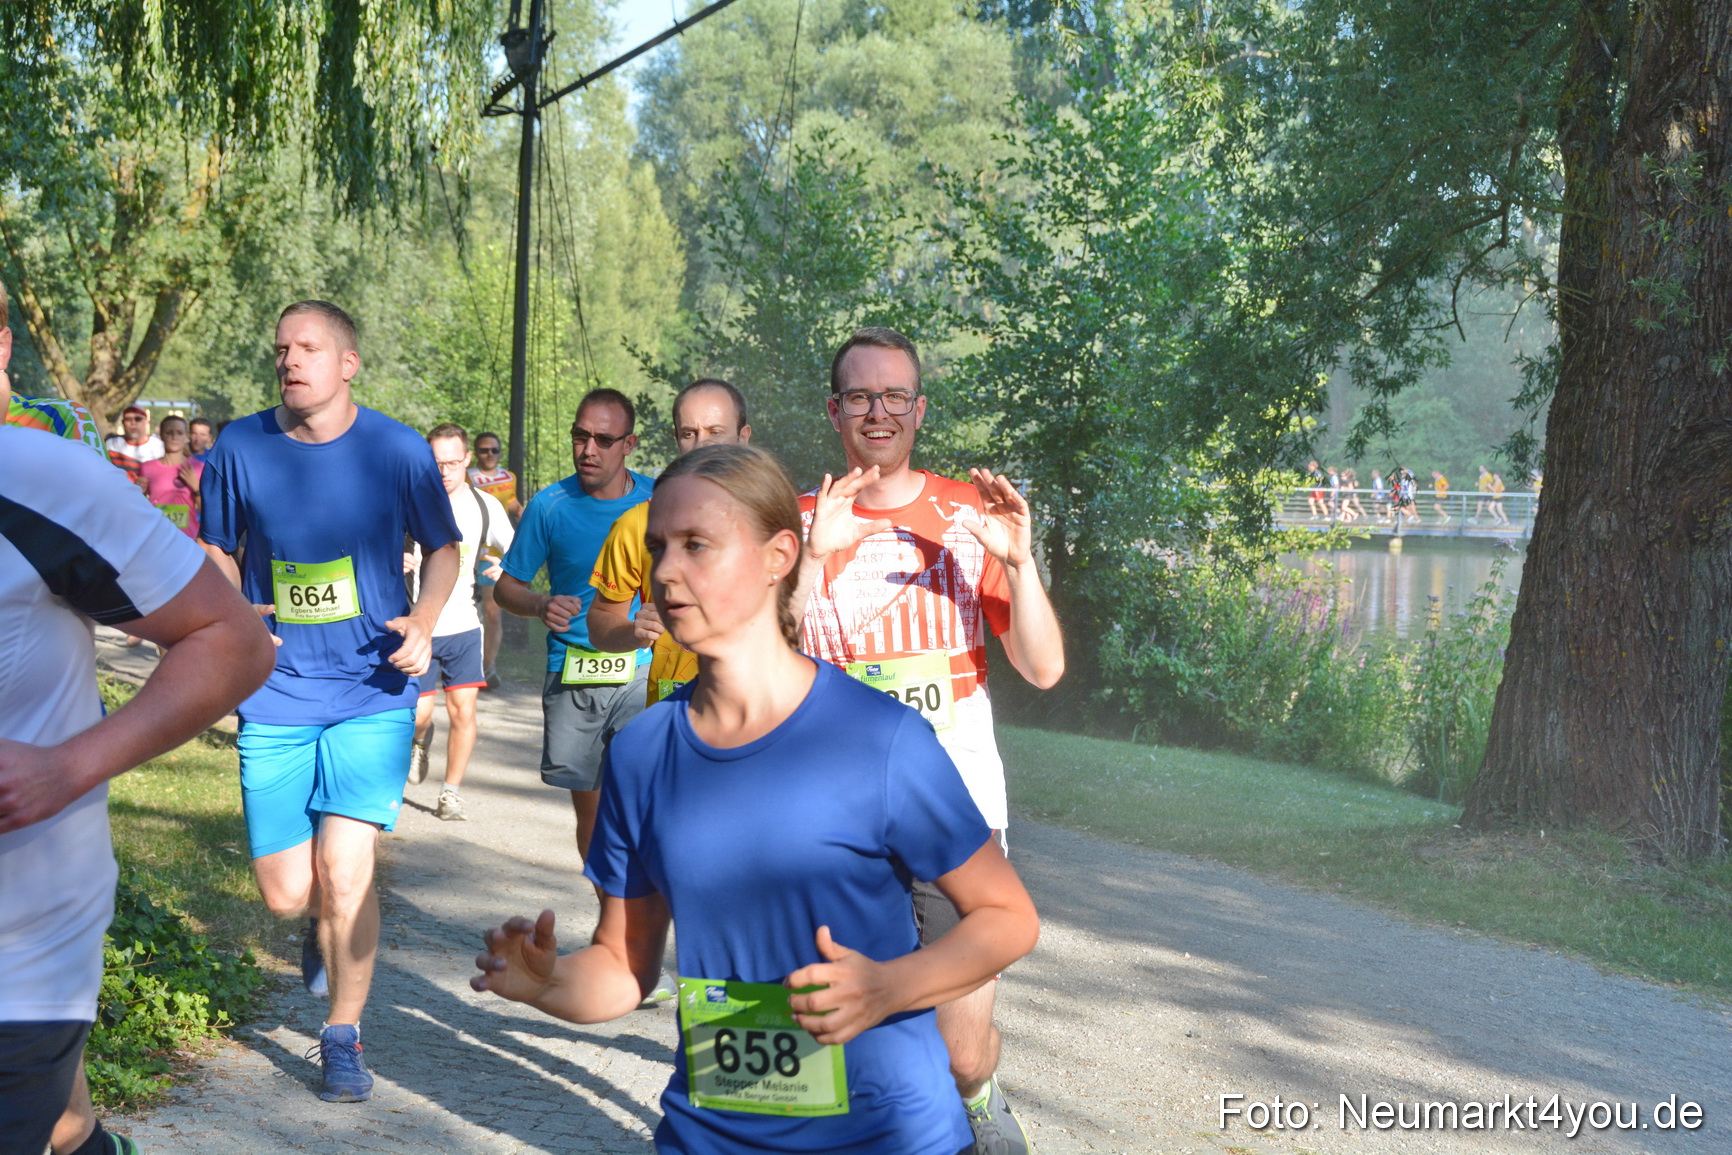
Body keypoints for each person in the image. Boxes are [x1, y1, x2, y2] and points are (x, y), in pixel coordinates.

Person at [472, 443, 1040, 1155]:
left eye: (696, 545)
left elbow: (1008, 918)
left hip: (885, 1134)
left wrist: (889, 987)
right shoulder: (642, 753)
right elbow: (622, 967)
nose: (665, 572)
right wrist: (547, 982)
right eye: (658, 548)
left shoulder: (878, 736)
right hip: (709, 1135)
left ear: (779, 556)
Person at [2, 277, 278, 1155]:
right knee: (63, 1123)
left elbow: (233, 641)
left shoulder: (39, 479)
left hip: (17, 941)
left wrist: (67, 767)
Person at [796, 327, 1064, 1155]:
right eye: (860, 396)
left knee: (957, 1050)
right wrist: (810, 560)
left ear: (919, 409)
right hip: (832, 816)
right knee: (836, 1027)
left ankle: (978, 1091)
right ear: (834, 410)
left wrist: (1019, 565)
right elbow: (758, 655)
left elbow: (1043, 668)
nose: (878, 411)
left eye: (895, 396)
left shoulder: (967, 516)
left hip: (954, 814)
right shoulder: (802, 520)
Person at [198, 300, 461, 1104]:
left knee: (347, 873)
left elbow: (443, 548)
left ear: (348, 364)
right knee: (289, 892)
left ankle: (342, 1035)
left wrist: (423, 619)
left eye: (308, 347)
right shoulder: (240, 446)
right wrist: (236, 612)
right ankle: (326, 925)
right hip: (276, 689)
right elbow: (216, 546)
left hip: (372, 688)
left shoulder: (397, 449)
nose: (290, 359)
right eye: (281, 347)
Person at [495, 390, 652, 876]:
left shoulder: (660, 499)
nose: (588, 449)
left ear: (629, 444)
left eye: (603, 440)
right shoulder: (550, 505)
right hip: (574, 669)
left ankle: (640, 907)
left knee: (642, 802)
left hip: (643, 668)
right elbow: (506, 588)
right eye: (580, 437)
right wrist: (540, 604)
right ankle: (612, 907)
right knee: (593, 815)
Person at [588, 378, 753, 708]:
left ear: (743, 437)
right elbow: (599, 622)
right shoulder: (638, 523)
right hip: (673, 708)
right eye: (690, 433)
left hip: (758, 708)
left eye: (715, 432)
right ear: (677, 438)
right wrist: (633, 632)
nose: (701, 445)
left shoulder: (778, 518)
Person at [405, 423, 515, 822]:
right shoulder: (408, 501)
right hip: (419, 625)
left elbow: (518, 549)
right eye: (437, 463)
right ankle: (419, 741)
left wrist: (507, 569)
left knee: (463, 711)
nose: (445, 471)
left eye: (453, 463)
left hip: (464, 625)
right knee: (419, 715)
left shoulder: (485, 507)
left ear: (467, 459)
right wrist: (395, 560)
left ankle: (450, 793)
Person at [468, 431, 523, 689]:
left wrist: (525, 513)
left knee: (492, 614)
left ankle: (488, 670)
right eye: (483, 450)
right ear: (475, 453)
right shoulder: (466, 476)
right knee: (469, 612)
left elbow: (510, 503)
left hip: (495, 555)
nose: (489, 454)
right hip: (468, 552)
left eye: (494, 450)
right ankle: (466, 666)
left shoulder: (508, 477)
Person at [139, 415, 204, 538]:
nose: (174, 437)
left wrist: (196, 488)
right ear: (161, 435)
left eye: (179, 433)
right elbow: (138, 508)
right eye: (169, 432)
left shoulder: (198, 467)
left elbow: (208, 513)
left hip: (186, 539)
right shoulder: (147, 468)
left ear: (186, 436)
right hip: (156, 536)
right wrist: (138, 493)